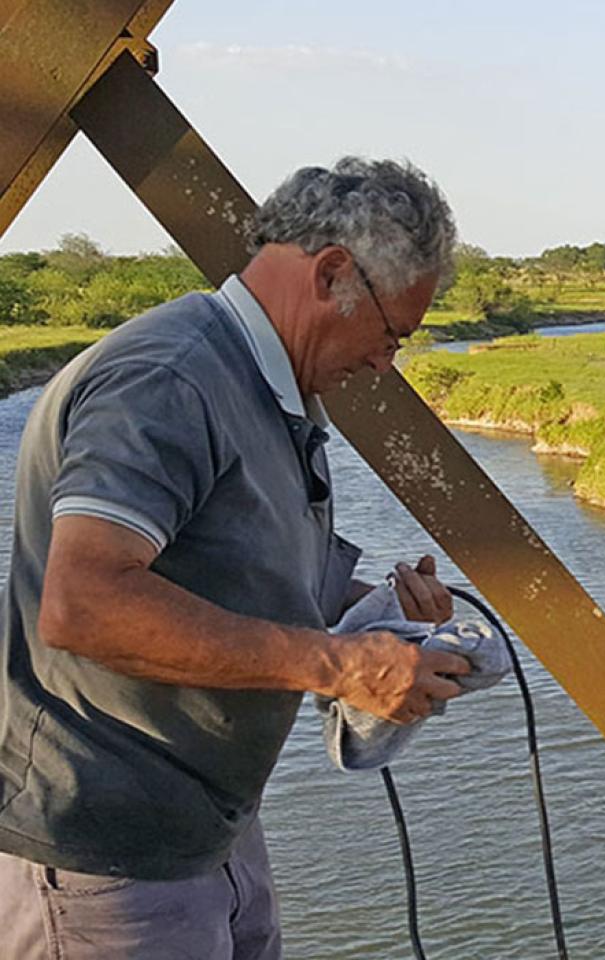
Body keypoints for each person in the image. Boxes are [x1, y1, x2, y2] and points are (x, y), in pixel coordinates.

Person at [0, 157, 470, 960]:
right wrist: (340, 667)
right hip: (102, 853)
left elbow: (246, 582)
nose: (386, 362)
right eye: (391, 332)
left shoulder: (276, 389)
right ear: (330, 273)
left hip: (210, 834)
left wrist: (379, 620)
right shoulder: (170, 378)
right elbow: (84, 602)